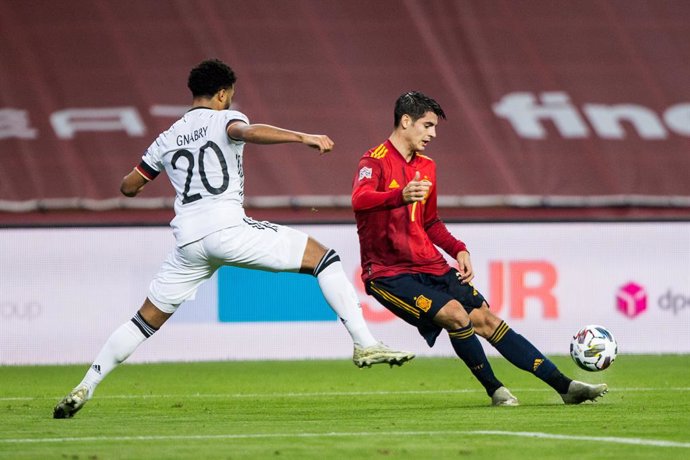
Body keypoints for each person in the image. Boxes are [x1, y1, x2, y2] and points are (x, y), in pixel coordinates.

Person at [53, 59, 414, 419]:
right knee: (325, 259)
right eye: (230, 96)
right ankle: (365, 343)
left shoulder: (166, 138)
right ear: (223, 94)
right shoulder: (225, 118)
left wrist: (157, 170)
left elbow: (128, 187)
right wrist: (302, 137)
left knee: (144, 320)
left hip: (188, 243)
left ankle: (86, 384)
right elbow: (247, 131)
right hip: (227, 229)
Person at [351, 91, 608, 406]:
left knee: (487, 320)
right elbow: (359, 200)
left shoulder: (427, 167)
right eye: (427, 125)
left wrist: (459, 249)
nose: (433, 134)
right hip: (389, 274)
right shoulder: (373, 160)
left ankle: (565, 387)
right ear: (406, 121)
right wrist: (398, 196)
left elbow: (429, 222)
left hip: (431, 266)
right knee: (456, 315)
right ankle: (496, 391)